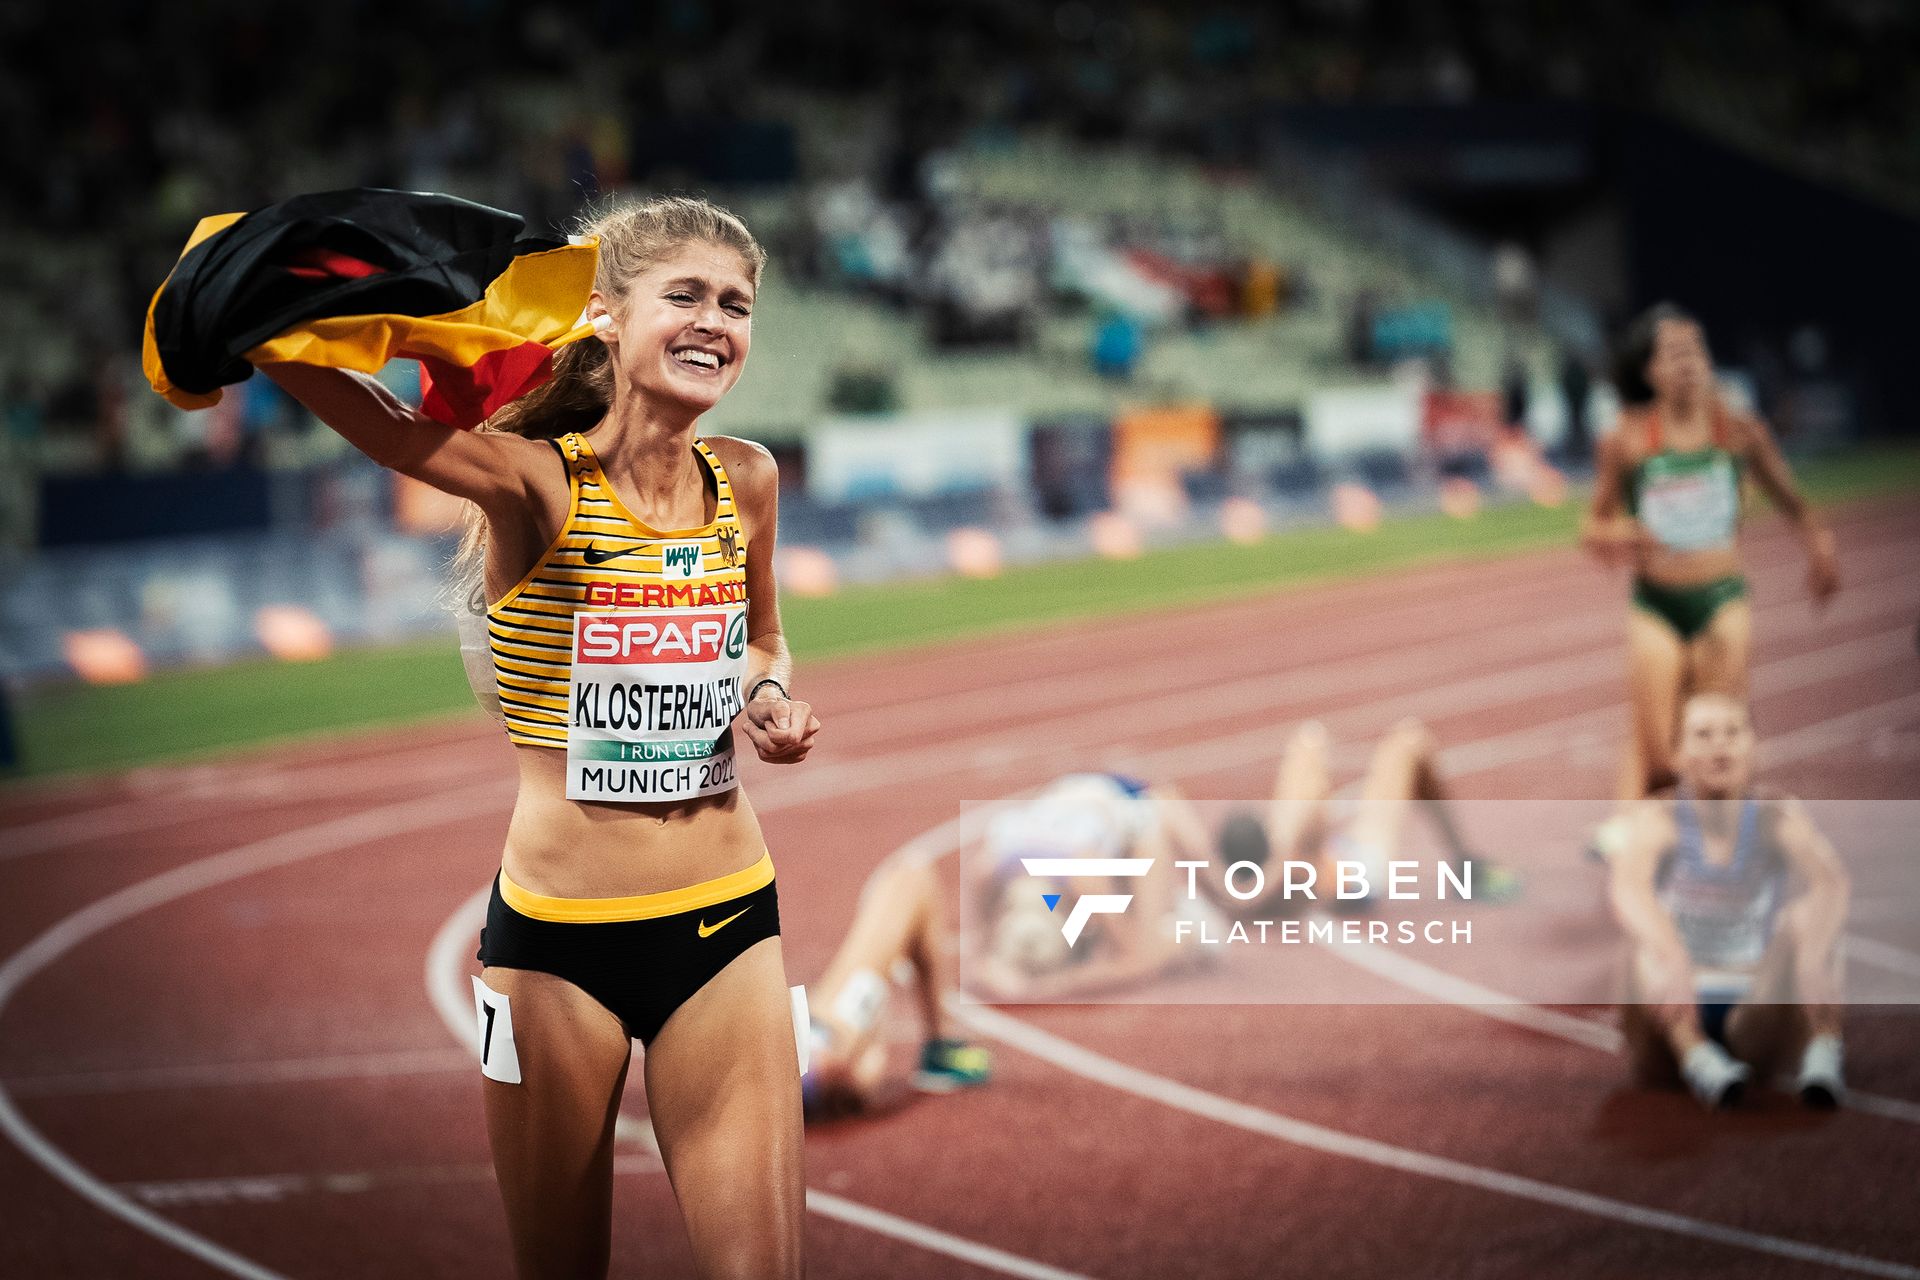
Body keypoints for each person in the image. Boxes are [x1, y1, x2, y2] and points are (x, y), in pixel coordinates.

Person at [262, 195, 818, 1280]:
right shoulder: (537, 483)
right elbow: (385, 427)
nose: (715, 322)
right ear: (606, 317)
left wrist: (767, 699)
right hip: (554, 947)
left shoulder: (744, 479)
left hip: (728, 922)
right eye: (687, 296)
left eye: (736, 305)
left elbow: (765, 636)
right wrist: (248, 320)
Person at [1581, 303, 1840, 804]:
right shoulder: (1627, 438)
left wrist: (1820, 548)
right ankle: (1651, 841)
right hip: (1655, 602)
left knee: (1719, 752)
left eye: (1696, 349)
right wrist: (1619, 535)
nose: (1689, 362)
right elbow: (1594, 524)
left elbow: (1795, 505)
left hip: (1721, 599)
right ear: (1649, 370)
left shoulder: (1738, 430)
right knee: (1661, 760)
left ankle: (1722, 858)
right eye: (1674, 353)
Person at [1611, 693, 1849, 1110]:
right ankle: (1700, 1060)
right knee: (1644, 944)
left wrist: (1810, 961)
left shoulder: (1778, 815)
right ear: (1678, 753)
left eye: (1733, 732)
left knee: (1812, 918)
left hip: (1752, 1006)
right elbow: (1627, 888)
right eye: (1703, 735)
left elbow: (1832, 883)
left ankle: (1823, 1052)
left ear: (1754, 744)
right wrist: (1674, 955)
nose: (1720, 745)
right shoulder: (1658, 819)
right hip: (1674, 1010)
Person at [1212, 717, 1517, 919]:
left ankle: (1466, 865)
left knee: (1308, 740)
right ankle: (1465, 865)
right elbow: (1316, 807)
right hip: (1360, 872)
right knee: (1410, 742)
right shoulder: (1291, 858)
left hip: (1338, 857)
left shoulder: (1265, 873)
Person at [800, 854, 993, 1122]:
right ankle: (941, 1048)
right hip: (803, 1052)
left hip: (795, 1048)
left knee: (910, 880)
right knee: (911, 879)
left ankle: (940, 1046)